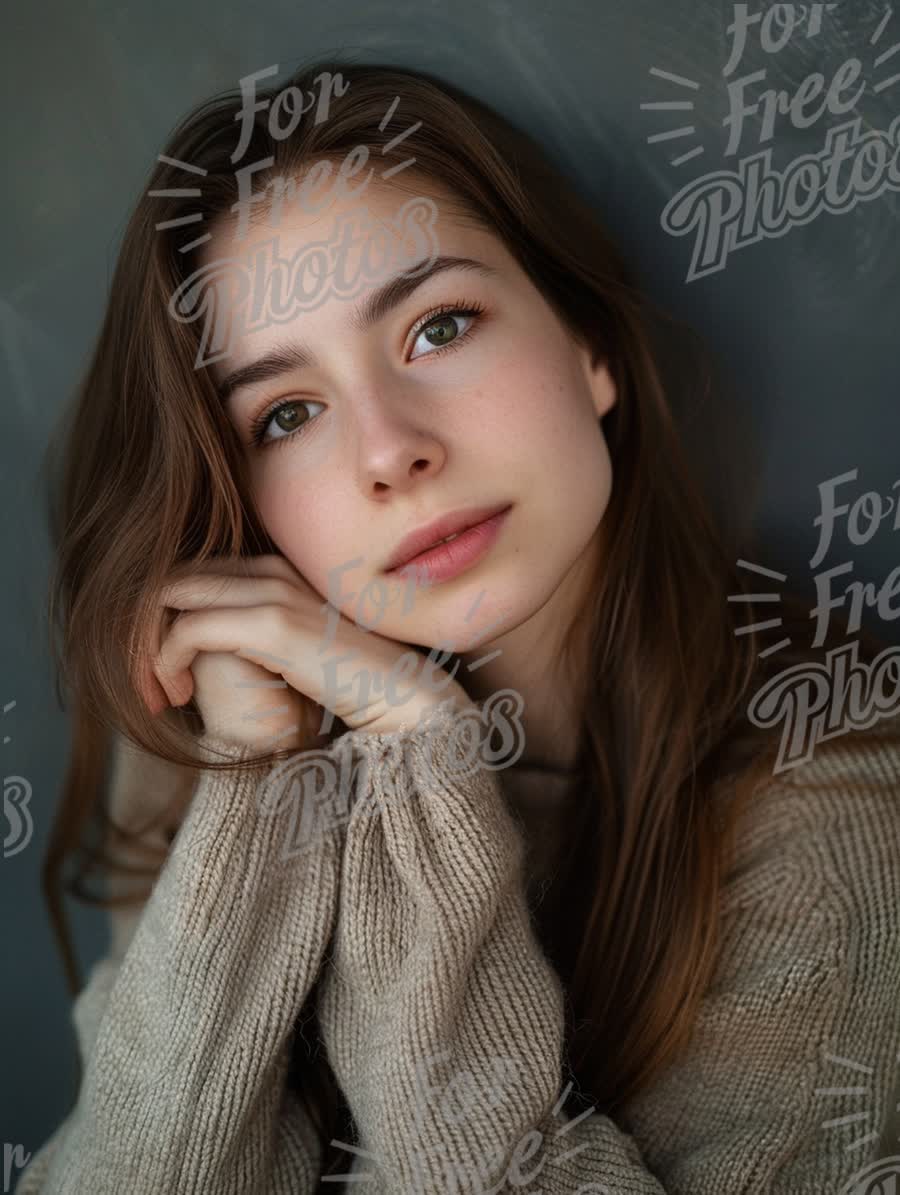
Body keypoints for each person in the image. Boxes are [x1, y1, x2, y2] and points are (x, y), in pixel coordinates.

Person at [18, 57, 900, 1193]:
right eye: (286, 412)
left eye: (439, 327)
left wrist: (422, 758)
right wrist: (255, 780)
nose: (391, 452)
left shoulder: (846, 805)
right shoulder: (216, 738)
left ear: (592, 349)